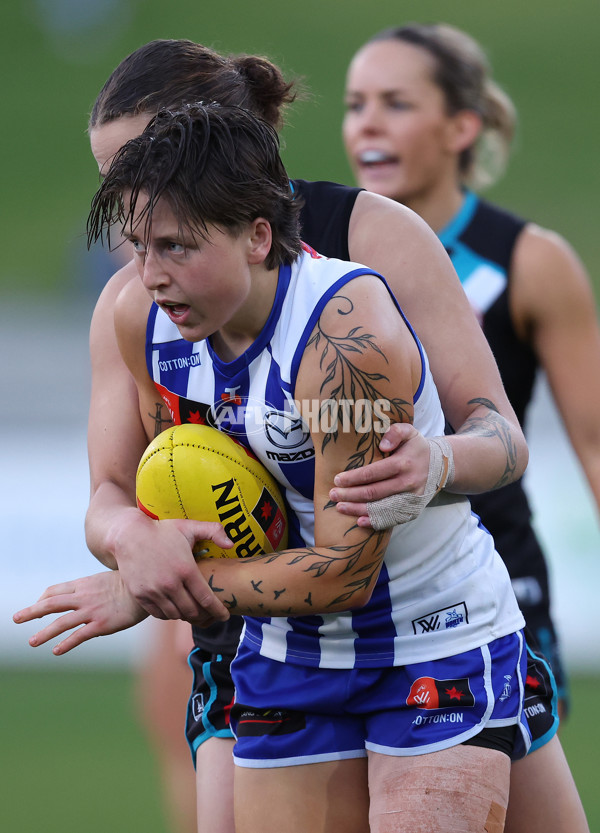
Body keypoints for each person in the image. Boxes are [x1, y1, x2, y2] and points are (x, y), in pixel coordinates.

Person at [14, 38, 587, 833]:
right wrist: (132, 543)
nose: (131, 225)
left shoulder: (360, 280)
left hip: (423, 615)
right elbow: (116, 490)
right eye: (118, 191)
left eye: (145, 178)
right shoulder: (140, 306)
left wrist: (441, 459)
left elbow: (491, 445)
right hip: (266, 634)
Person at [339, 21, 599, 830]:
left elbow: (593, 440)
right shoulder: (318, 257)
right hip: (350, 600)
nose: (366, 124)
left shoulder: (527, 259)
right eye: (354, 105)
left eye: (395, 103)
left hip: (495, 594)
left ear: (462, 127)